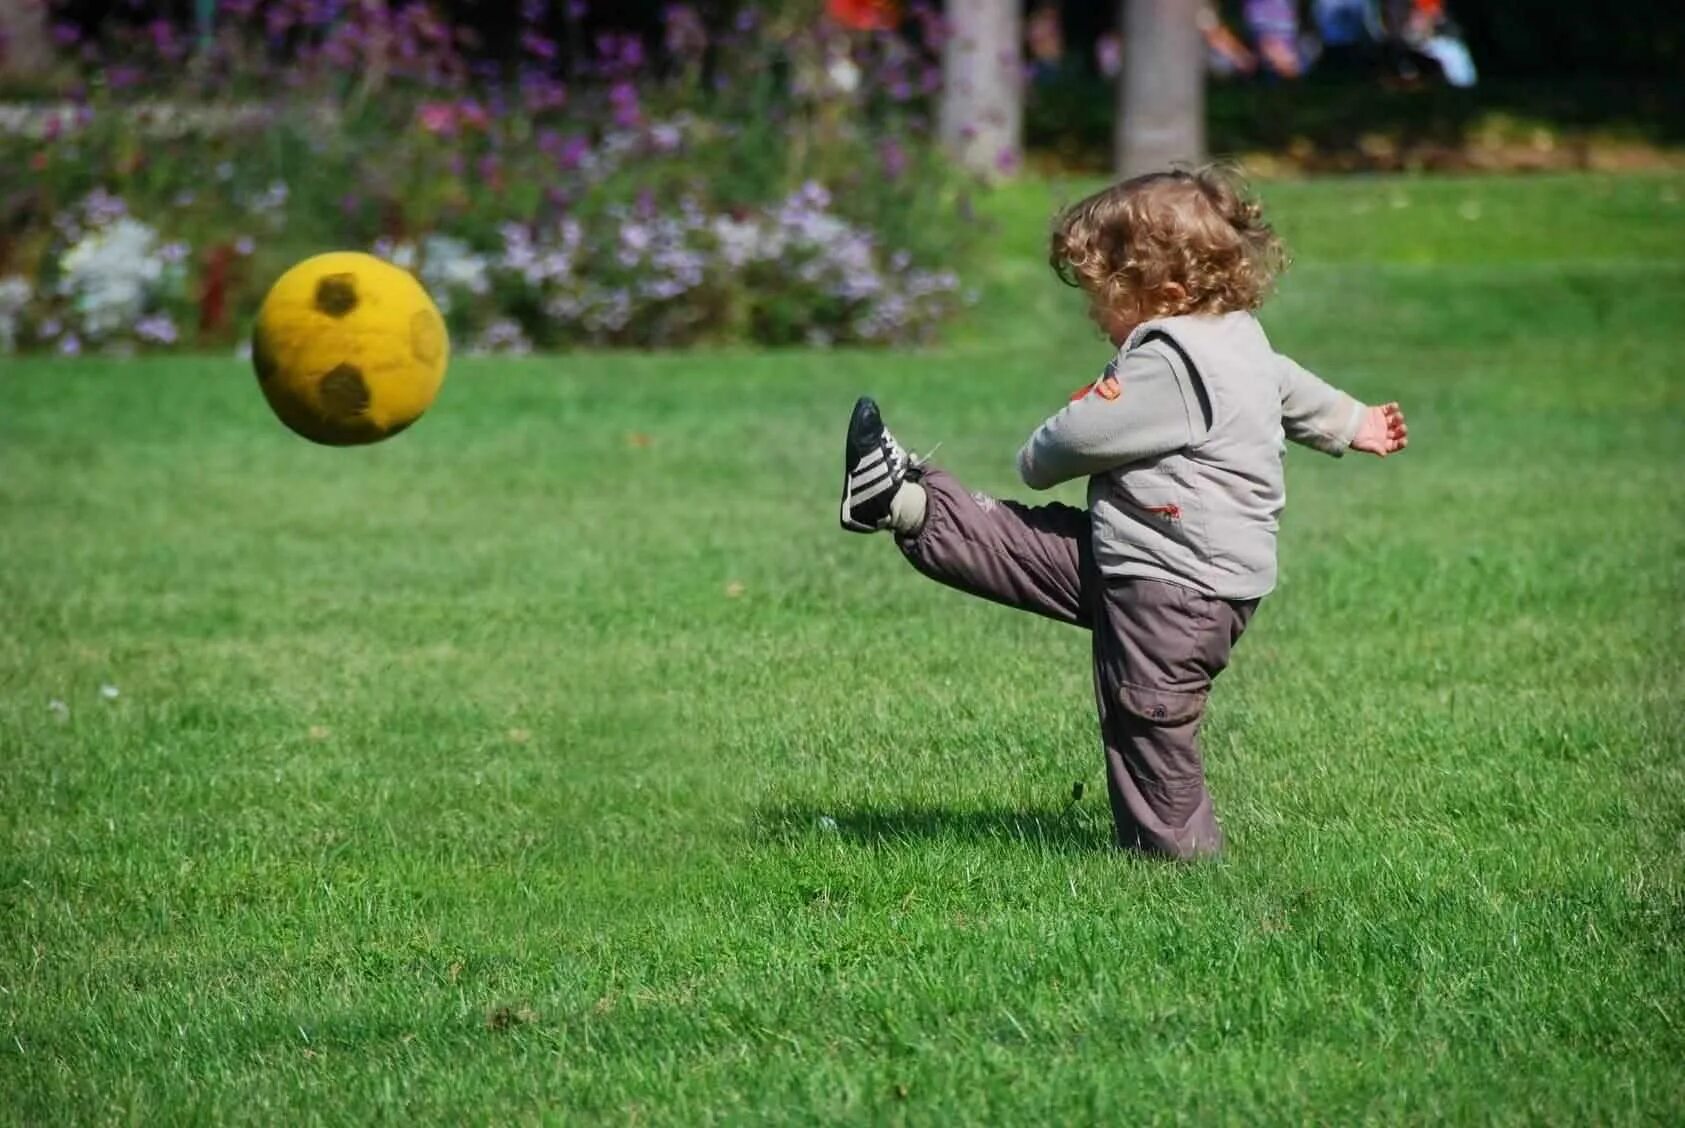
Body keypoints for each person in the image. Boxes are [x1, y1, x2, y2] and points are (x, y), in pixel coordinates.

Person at [837, 167, 1408, 860]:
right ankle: (896, 498)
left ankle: (1174, 864)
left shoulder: (1168, 362)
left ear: (1162, 295)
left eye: (1100, 297)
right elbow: (1292, 388)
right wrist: (1352, 421)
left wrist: (1044, 445)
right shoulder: (1236, 336)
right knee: (1018, 545)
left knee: (1148, 722)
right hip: (1152, 564)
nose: (1091, 314)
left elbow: (1070, 443)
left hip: (1171, 587)